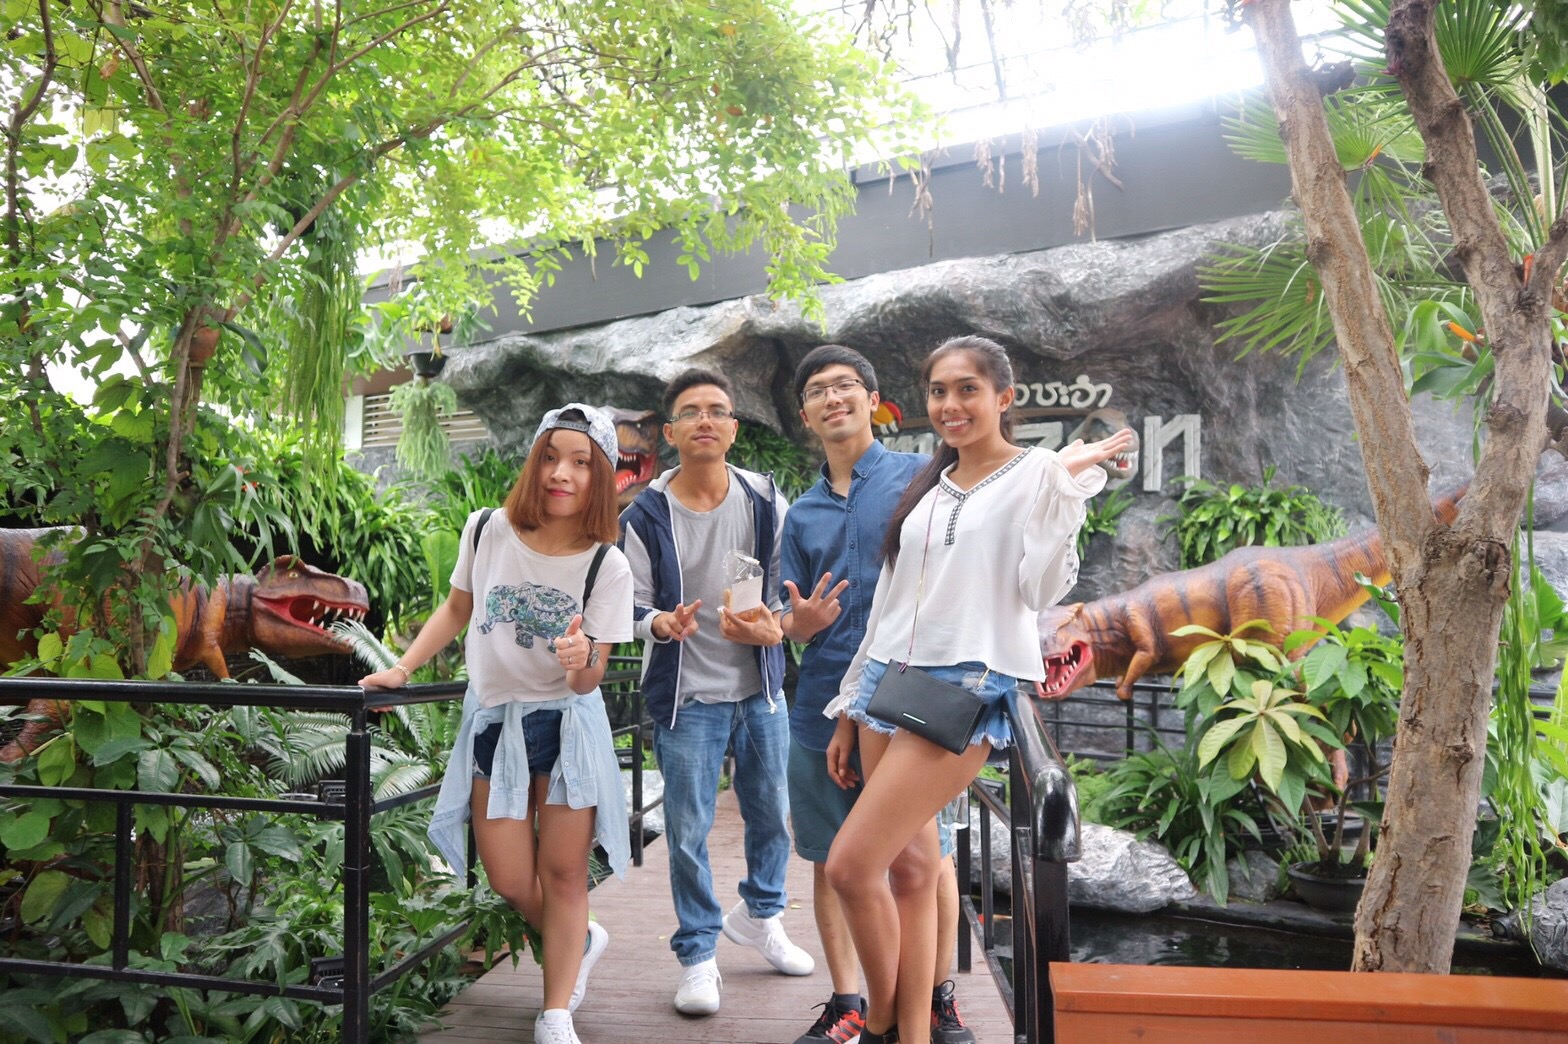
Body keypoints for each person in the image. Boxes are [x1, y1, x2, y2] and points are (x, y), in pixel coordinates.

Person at [823, 337, 1135, 1044]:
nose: (950, 404)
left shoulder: (1036, 474)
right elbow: (889, 602)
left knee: (850, 866)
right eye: (938, 391)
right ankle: (911, 1033)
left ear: (1004, 397)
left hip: (964, 685)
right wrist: (847, 704)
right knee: (910, 868)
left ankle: (878, 1024)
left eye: (967, 388)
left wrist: (1060, 494)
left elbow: (1041, 590)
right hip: (886, 681)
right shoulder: (932, 485)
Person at [360, 404, 634, 1044]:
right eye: (550, 457)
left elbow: (591, 677)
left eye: (580, 462)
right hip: (495, 725)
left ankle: (555, 1011)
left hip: (568, 729)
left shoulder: (607, 565)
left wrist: (581, 659)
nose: (560, 473)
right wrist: (401, 668)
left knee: (563, 874)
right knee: (510, 879)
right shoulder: (487, 529)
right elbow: (458, 607)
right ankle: (579, 939)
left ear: (600, 477)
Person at [780, 345, 974, 1044]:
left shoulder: (924, 479)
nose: (833, 398)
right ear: (805, 416)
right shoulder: (801, 514)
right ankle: (850, 1002)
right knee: (832, 858)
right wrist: (795, 625)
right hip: (821, 706)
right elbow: (785, 615)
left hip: (909, 703)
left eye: (845, 386)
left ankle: (933, 998)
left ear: (872, 399)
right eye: (818, 392)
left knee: (926, 859)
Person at [618, 368, 815, 1016]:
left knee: (773, 815)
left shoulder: (763, 499)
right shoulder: (645, 513)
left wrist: (772, 626)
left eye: (717, 410)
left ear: (732, 428)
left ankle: (761, 915)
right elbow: (631, 605)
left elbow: (784, 590)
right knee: (687, 831)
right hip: (687, 698)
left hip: (760, 691)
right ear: (671, 432)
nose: (705, 419)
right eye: (691, 411)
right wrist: (661, 624)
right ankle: (698, 954)